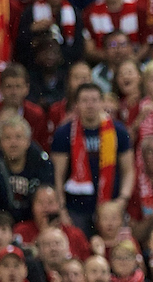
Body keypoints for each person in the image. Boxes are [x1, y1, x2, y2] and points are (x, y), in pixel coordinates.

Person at [50, 83, 135, 234]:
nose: (90, 105)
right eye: (84, 100)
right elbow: (58, 175)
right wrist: (62, 210)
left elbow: (128, 170)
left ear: (102, 102)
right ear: (76, 104)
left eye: (94, 100)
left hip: (110, 205)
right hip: (76, 208)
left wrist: (122, 200)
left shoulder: (118, 131)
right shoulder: (64, 132)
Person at [0, 112, 54, 224]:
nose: (13, 143)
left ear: (28, 141)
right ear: (0, 143)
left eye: (18, 137)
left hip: (34, 224)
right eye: (7, 138)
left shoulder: (42, 163)